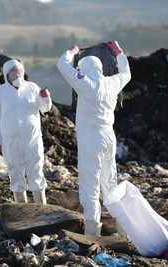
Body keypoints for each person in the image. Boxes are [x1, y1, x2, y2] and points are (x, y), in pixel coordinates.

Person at [57, 41, 131, 236]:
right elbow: (127, 73)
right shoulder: (111, 83)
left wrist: (71, 51)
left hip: (91, 138)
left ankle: (92, 232)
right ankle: (122, 229)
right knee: (110, 183)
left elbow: (62, 65)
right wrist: (119, 52)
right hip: (109, 137)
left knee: (90, 185)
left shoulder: (85, 83)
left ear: (84, 69)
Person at [0, 59, 52, 204]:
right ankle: (21, 209)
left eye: (19, 71)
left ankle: (41, 208)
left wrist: (45, 98)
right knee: (15, 173)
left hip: (32, 139)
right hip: (10, 141)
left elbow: (45, 109)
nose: (17, 75)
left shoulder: (32, 87)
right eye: (13, 73)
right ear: (6, 75)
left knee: (36, 171)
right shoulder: (0, 93)